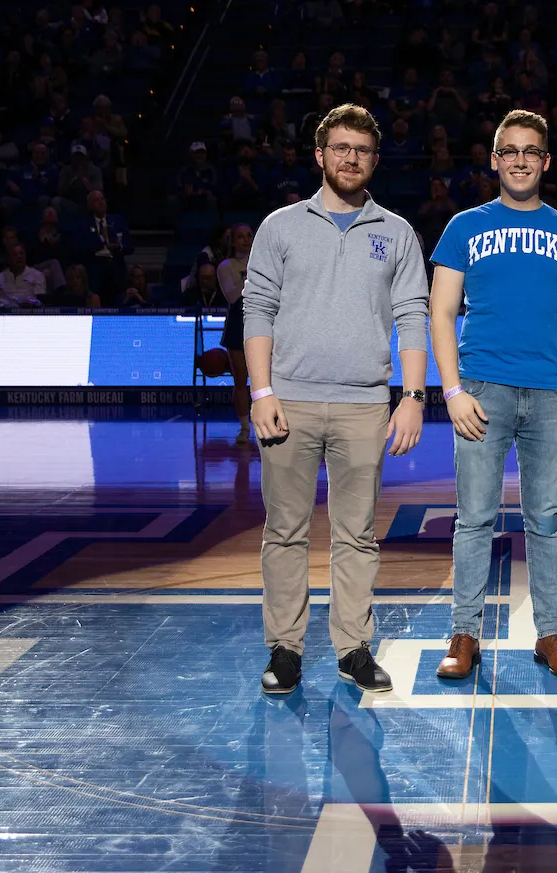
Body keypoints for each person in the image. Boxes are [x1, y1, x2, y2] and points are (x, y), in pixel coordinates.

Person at [243, 104, 431, 695]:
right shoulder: (280, 226)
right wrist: (262, 390)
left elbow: (412, 317)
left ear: (375, 159)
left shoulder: (396, 232)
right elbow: (258, 310)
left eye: (363, 150)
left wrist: (413, 397)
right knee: (284, 532)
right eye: (341, 148)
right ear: (320, 155)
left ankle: (353, 649)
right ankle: (286, 649)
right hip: (290, 403)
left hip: (364, 407)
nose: (351, 159)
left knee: (358, 535)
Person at [429, 109, 557, 681]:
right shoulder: (464, 227)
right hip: (482, 391)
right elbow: (441, 311)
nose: (521, 160)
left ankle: (550, 635)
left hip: (553, 396)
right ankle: (464, 634)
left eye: (531, 151)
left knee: (545, 521)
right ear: (495, 160)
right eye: (510, 151)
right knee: (475, 518)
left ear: (545, 161)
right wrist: (450, 389)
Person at [217, 223, 253, 445]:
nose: (245, 240)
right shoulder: (224, 266)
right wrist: (250, 274)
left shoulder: (265, 262)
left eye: (249, 236)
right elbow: (232, 296)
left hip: (265, 321)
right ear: (232, 241)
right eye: (240, 236)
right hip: (238, 323)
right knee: (241, 380)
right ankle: (244, 427)